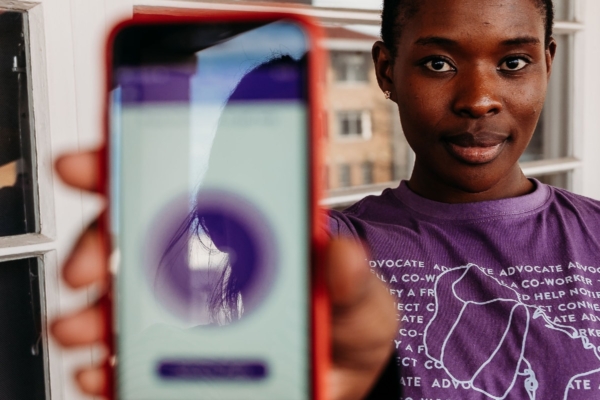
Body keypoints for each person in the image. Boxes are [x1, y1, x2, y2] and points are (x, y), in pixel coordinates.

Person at [52, 0, 599, 398]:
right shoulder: (331, 247)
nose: (479, 100)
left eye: (513, 62)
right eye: (438, 63)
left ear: (548, 63)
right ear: (387, 70)